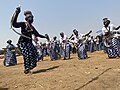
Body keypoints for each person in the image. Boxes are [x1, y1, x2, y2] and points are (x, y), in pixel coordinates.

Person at [11, 6, 48, 74]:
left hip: (29, 43)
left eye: (32, 17)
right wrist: (17, 13)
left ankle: (30, 67)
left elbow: (37, 34)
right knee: (27, 55)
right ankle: (27, 68)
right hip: (23, 42)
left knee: (35, 54)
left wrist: (45, 37)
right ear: (27, 18)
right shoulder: (23, 24)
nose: (32, 19)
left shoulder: (32, 27)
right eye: (30, 17)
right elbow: (14, 24)